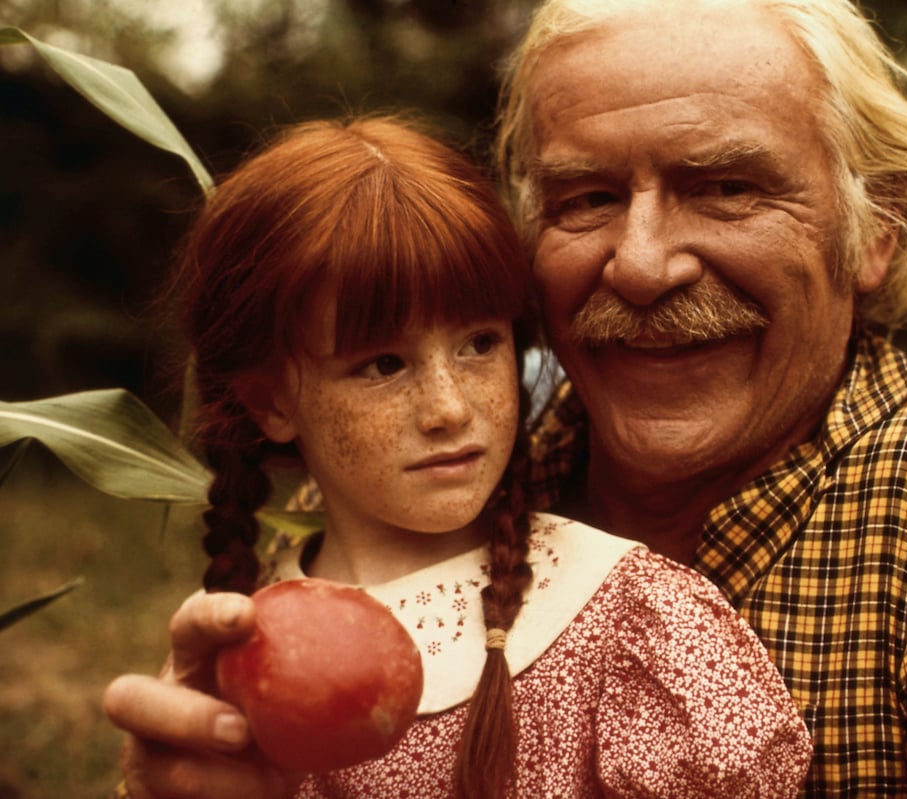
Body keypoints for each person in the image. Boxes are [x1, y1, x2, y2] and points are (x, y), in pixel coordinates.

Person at [104, 0, 907, 796]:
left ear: (877, 230)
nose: (642, 263)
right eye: (587, 198)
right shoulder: (485, 481)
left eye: (727, 187)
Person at [102, 114, 812, 798]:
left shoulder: (631, 616)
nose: (449, 408)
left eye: (479, 343)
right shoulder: (232, 661)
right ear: (270, 401)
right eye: (382, 364)